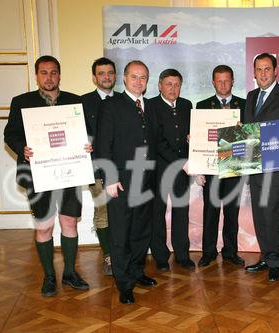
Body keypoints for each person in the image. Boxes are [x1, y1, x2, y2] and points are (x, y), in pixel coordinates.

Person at [4, 55, 90, 297]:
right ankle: (49, 277)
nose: (49, 77)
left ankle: (70, 273)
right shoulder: (21, 101)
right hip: (37, 173)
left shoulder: (74, 101)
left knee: (69, 222)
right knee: (44, 226)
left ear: (59, 75)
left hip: (69, 172)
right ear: (37, 75)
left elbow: (87, 132)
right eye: (44, 73)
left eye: (53, 72)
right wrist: (23, 147)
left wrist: (87, 145)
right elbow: (10, 134)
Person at [95, 60, 159, 304]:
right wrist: (109, 178)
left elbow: (157, 142)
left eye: (143, 77)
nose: (138, 81)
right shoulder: (111, 106)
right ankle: (123, 284)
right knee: (121, 234)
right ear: (124, 78)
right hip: (120, 182)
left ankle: (136, 272)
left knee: (142, 232)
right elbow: (103, 144)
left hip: (147, 181)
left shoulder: (150, 107)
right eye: (134, 76)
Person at [243, 53, 279, 281]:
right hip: (255, 166)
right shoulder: (251, 96)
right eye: (259, 69)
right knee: (259, 214)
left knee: (273, 215)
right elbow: (248, 129)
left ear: (276, 71)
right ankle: (266, 255)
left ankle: (275, 261)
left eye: (267, 69)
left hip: (276, 169)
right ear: (254, 73)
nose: (263, 73)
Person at [195, 65, 246, 267]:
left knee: (232, 212)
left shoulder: (243, 105)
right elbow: (199, 138)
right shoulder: (202, 105)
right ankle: (208, 252)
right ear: (213, 82)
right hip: (212, 167)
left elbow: (251, 138)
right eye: (219, 80)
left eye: (227, 80)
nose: (223, 84)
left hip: (235, 166)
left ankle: (230, 252)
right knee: (211, 211)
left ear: (233, 81)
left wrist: (244, 131)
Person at [149, 69, 195, 271]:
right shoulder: (150, 106)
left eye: (177, 84)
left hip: (182, 171)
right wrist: (182, 162)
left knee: (181, 212)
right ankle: (160, 256)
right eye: (168, 84)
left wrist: (192, 138)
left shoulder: (186, 105)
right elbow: (157, 141)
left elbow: (190, 134)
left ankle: (182, 255)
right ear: (160, 85)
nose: (173, 88)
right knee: (157, 213)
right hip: (159, 170)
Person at [81, 57, 119, 276]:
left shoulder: (125, 101)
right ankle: (108, 256)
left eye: (110, 73)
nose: (106, 77)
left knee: (123, 212)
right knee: (103, 211)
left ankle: (123, 252)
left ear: (115, 75)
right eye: (102, 73)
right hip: (95, 168)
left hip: (123, 168)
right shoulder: (83, 102)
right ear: (95, 77)